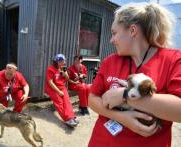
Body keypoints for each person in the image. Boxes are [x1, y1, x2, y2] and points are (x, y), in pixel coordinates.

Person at [88, 2, 181, 147]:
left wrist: (125, 96)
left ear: (132, 30)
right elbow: (92, 99)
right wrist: (121, 117)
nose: (111, 40)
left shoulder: (173, 60)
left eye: (114, 33)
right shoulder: (110, 61)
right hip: (102, 141)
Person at [44, 54, 78, 127]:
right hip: (52, 88)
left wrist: (65, 74)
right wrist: (58, 92)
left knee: (67, 101)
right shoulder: (50, 69)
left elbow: (67, 79)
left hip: (62, 87)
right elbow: (50, 82)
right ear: (57, 61)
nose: (64, 62)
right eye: (62, 61)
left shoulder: (63, 68)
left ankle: (71, 117)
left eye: (64, 60)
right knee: (59, 102)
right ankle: (67, 119)